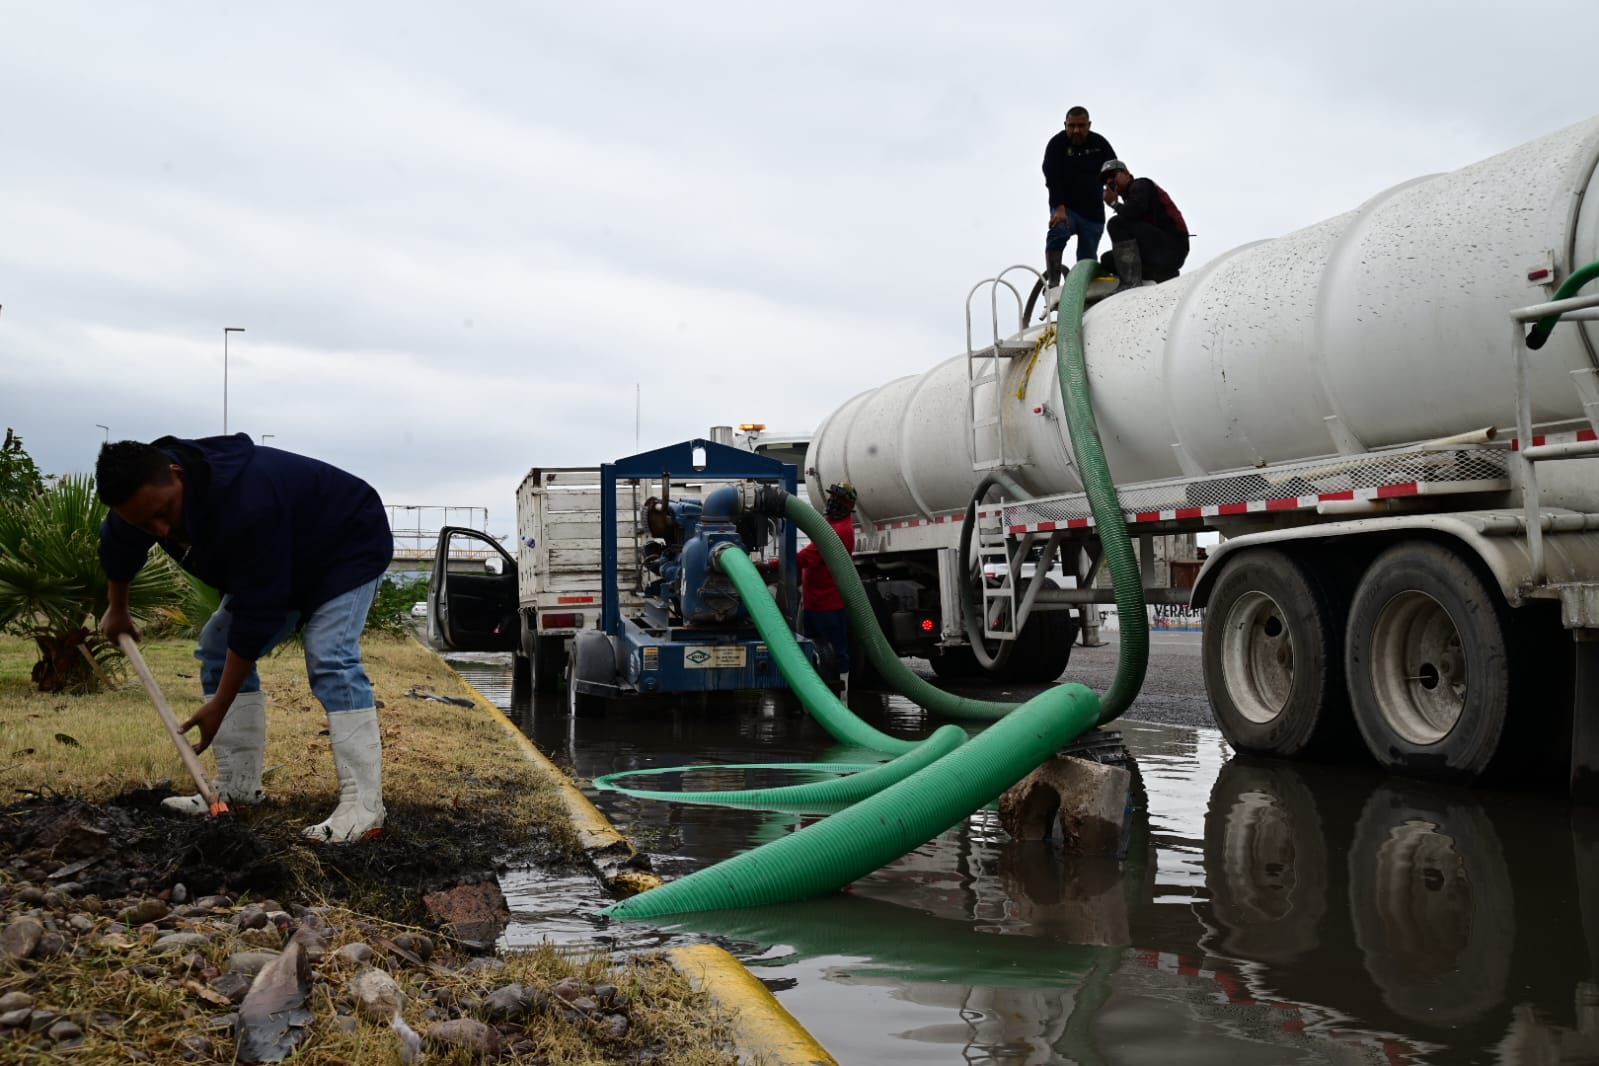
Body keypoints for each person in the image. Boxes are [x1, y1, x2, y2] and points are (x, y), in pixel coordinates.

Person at [96, 434, 393, 843]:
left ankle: (364, 810)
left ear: (177, 474)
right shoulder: (140, 499)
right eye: (145, 523)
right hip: (282, 550)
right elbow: (119, 544)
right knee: (216, 648)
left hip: (346, 541)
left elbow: (258, 611)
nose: (160, 529)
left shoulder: (244, 500)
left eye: (164, 513)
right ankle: (237, 788)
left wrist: (220, 704)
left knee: (331, 657)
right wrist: (118, 609)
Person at [1041, 107, 1119, 294]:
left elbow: (1114, 170)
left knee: (1086, 259)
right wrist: (1059, 209)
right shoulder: (1057, 144)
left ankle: (1083, 292)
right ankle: (1053, 282)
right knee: (1058, 233)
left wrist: (1111, 190)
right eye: (1072, 126)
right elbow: (1052, 177)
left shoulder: (1099, 144)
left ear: (1089, 125)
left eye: (1081, 126)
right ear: (1065, 125)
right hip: (1066, 209)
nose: (1076, 130)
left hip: (1093, 214)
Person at [797, 483, 858, 686]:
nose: (832, 502)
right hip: (814, 603)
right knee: (814, 649)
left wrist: (768, 565)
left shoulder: (839, 530)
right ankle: (817, 691)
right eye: (832, 497)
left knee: (836, 651)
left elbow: (807, 557)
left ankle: (842, 694)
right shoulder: (832, 524)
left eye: (839, 500)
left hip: (828, 605)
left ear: (849, 505)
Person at [1099, 158, 1190, 290]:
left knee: (1116, 223)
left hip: (1172, 246)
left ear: (1126, 173)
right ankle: (1161, 274)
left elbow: (1134, 211)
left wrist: (1114, 204)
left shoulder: (1140, 184)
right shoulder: (1130, 198)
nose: (1109, 181)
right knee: (1108, 260)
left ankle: (1130, 282)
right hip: (1158, 251)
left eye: (1112, 175)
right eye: (1105, 180)